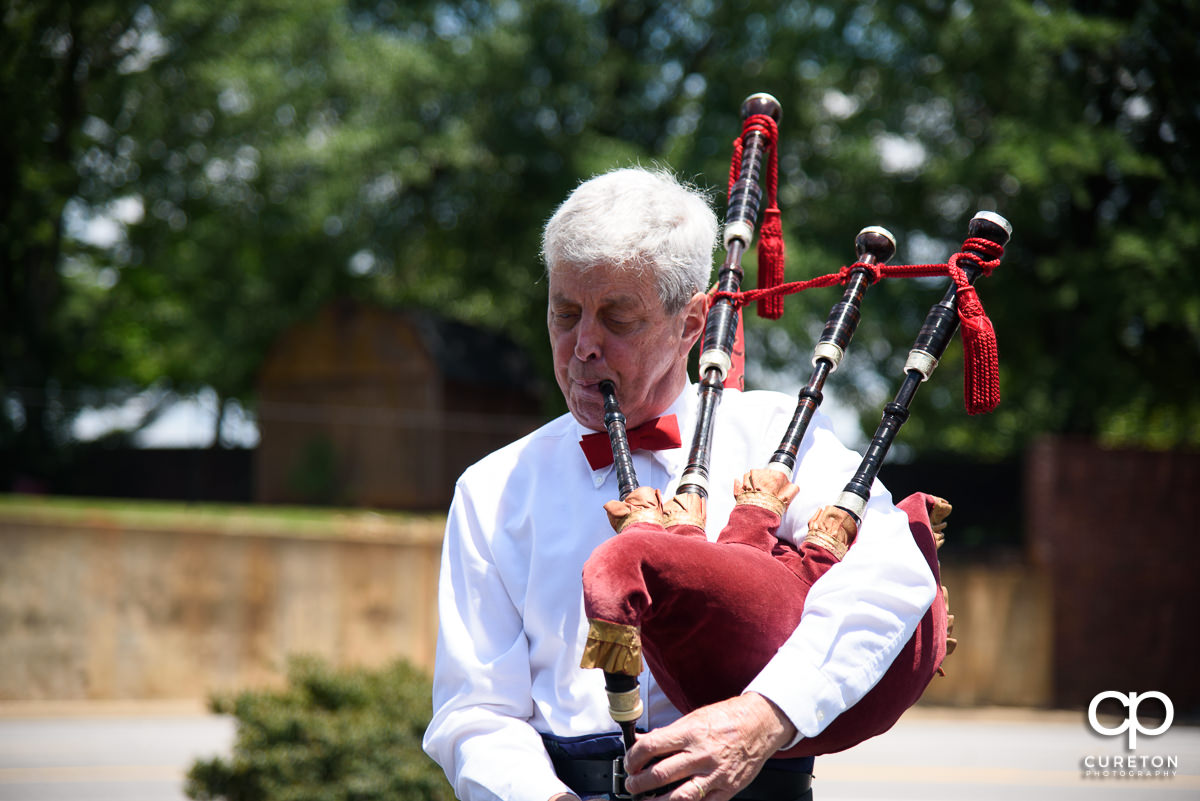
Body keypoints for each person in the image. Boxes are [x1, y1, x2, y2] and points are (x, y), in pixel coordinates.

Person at [422, 166, 937, 801]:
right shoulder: (491, 487)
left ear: (693, 323)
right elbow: (474, 712)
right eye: (565, 313)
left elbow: (895, 571)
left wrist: (765, 716)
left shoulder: (777, 435)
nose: (583, 346)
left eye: (619, 318)